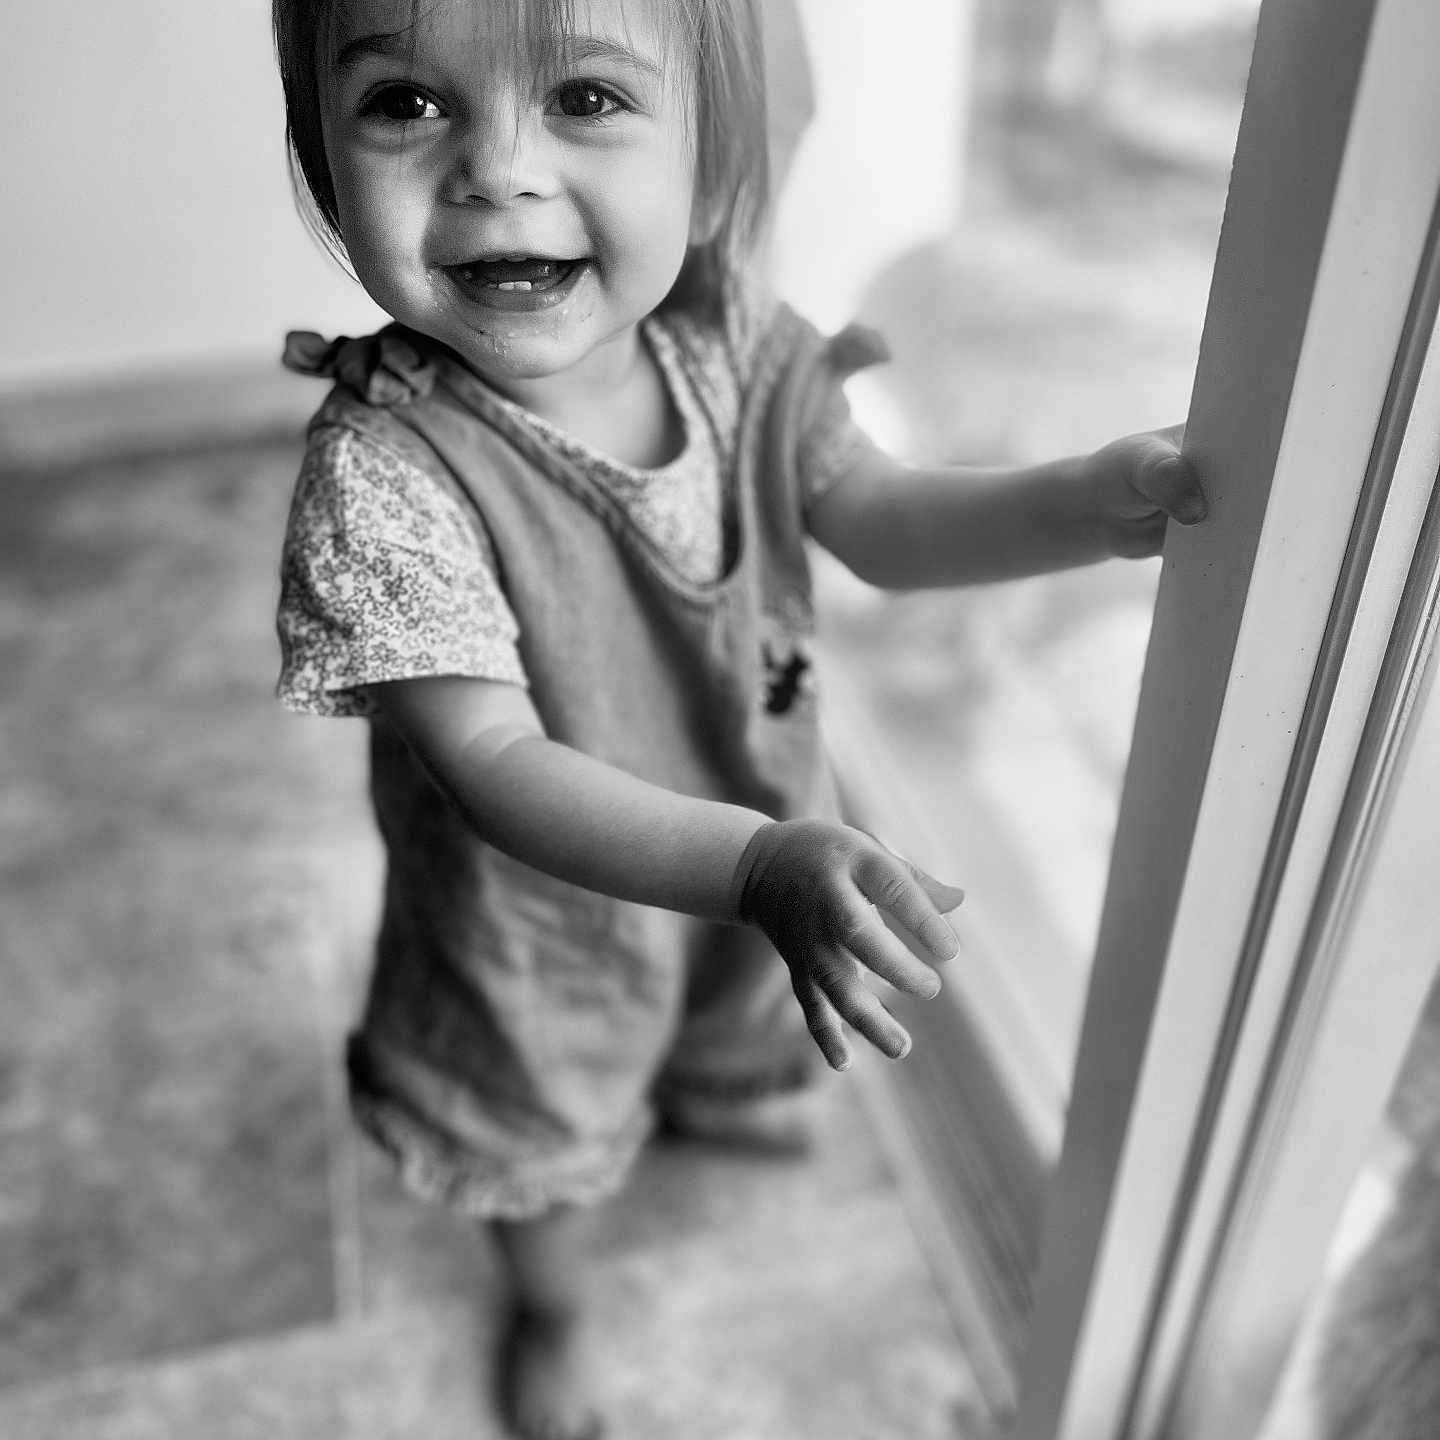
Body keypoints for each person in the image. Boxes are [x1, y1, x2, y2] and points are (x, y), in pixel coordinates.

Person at [270, 1, 1207, 1435]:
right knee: (540, 1125)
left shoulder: (741, 351)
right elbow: (491, 759)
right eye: (405, 105)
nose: (494, 170)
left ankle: (710, 1088)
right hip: (534, 925)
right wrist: (761, 864)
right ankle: (552, 1306)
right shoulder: (388, 468)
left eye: (583, 98)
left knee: (731, 1017)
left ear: (709, 167)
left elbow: (883, 523)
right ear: (325, 163)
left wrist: (1084, 502)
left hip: (744, 843)